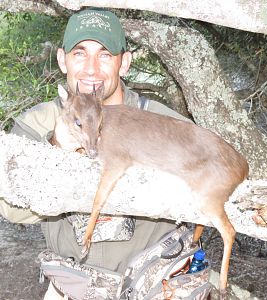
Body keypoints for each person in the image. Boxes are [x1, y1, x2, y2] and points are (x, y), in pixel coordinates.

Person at [0, 7, 191, 299]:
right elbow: (11, 210)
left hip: (153, 287)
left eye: (104, 55)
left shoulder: (163, 122)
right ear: (62, 60)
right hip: (70, 288)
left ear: (124, 63)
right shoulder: (35, 123)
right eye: (80, 53)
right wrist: (57, 148)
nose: (91, 69)